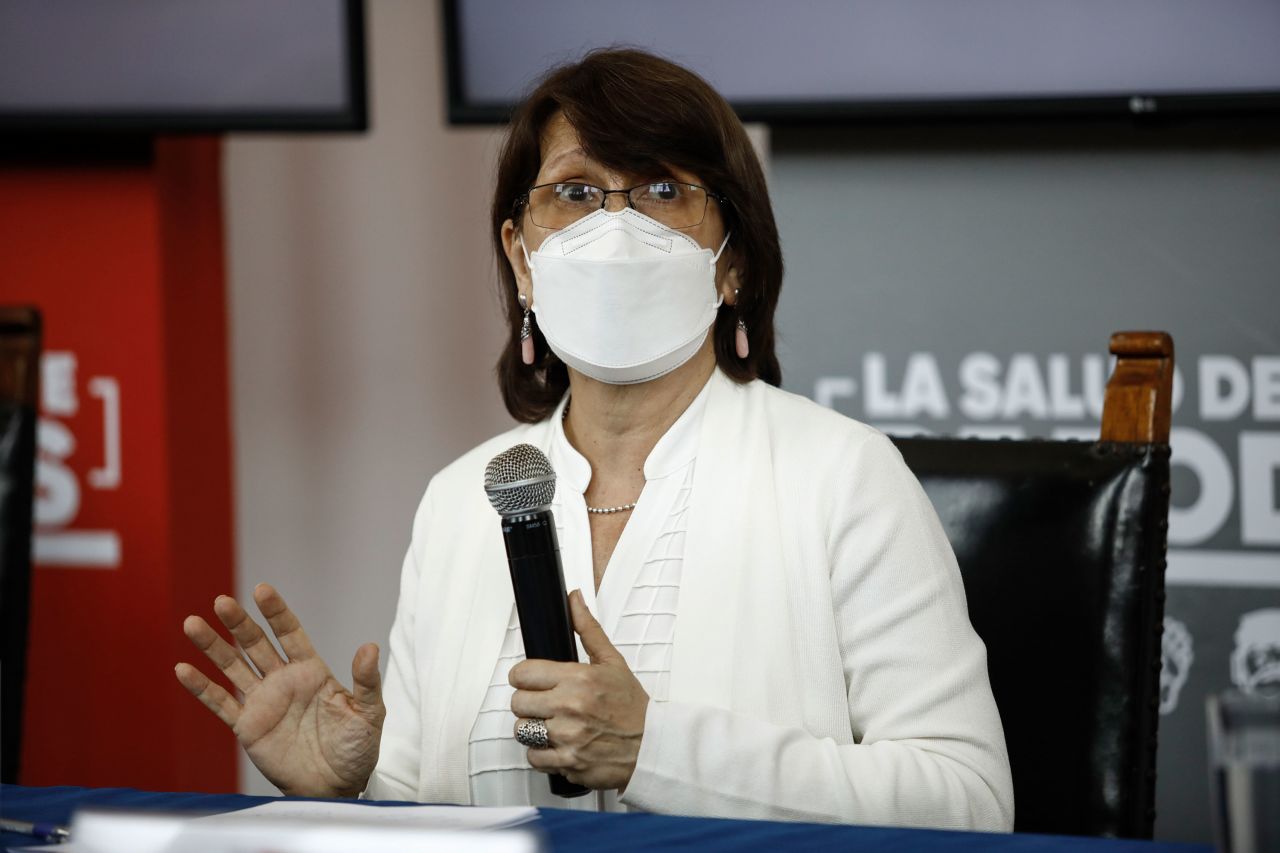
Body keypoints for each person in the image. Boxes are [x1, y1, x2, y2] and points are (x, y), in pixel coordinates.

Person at [175, 48, 1014, 829]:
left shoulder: (843, 476)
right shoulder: (461, 501)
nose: (615, 228)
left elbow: (969, 801)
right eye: (575, 193)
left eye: (660, 191)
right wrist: (346, 793)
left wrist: (658, 748)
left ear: (734, 264)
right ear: (521, 257)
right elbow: (433, 814)